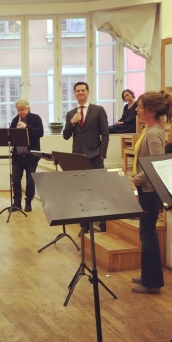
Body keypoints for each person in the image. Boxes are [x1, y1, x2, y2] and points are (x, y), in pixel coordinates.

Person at [131, 91, 172, 294]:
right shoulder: (149, 129)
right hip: (144, 188)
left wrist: (133, 181)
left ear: (151, 111)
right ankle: (147, 275)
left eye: (140, 107)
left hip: (149, 191)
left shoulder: (155, 133)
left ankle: (153, 282)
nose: (136, 110)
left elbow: (155, 167)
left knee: (148, 234)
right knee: (145, 233)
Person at [63, 81, 109, 232]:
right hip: (78, 157)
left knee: (99, 189)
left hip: (95, 155)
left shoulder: (98, 110)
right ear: (75, 94)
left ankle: (103, 223)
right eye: (77, 91)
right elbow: (65, 135)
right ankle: (85, 225)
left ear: (88, 92)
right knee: (81, 191)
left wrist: (102, 154)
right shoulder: (71, 114)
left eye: (83, 90)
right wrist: (71, 122)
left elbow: (105, 134)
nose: (80, 93)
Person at [9, 100, 44, 212]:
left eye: (22, 110)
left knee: (30, 180)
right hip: (18, 155)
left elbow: (40, 133)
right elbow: (10, 135)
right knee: (15, 179)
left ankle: (28, 202)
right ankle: (17, 203)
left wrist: (26, 127)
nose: (20, 112)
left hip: (31, 155)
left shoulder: (35, 118)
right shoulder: (15, 120)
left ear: (28, 108)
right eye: (18, 110)